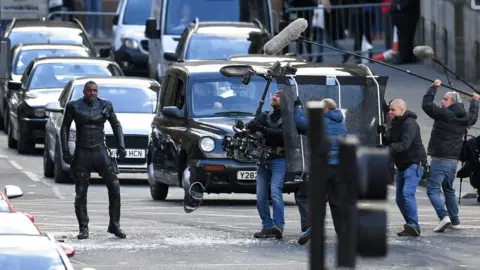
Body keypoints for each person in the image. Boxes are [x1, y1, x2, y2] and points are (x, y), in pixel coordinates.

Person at [61, 81, 127, 240]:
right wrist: (65, 151)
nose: (92, 93)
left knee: (114, 186)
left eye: (95, 91)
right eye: (89, 91)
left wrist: (121, 145)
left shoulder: (106, 105)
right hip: (82, 152)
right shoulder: (74, 106)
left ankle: (114, 224)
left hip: (100, 150)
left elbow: (116, 125)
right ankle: (83, 228)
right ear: (84, 92)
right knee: (81, 193)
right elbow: (64, 128)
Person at [422, 79, 479, 233]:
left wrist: (433, 87)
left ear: (452, 102)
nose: (442, 101)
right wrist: (475, 102)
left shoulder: (443, 114)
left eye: (445, 99)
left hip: (440, 159)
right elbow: (473, 117)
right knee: (448, 189)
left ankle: (443, 216)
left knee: (432, 190)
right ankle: (455, 220)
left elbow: (427, 105)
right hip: (452, 161)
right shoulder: (464, 118)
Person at [293, 98, 348, 245]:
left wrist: (298, 107)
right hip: (339, 168)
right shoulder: (341, 122)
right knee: (336, 202)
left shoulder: (321, 121)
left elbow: (300, 123)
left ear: (325, 110)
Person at [246, 90, 288, 239]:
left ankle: (278, 226)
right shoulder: (266, 115)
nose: (273, 97)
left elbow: (281, 135)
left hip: (279, 159)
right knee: (261, 197)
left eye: (277, 95)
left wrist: (262, 129)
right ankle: (267, 226)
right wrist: (251, 125)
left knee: (276, 192)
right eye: (273, 94)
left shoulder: (288, 117)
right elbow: (251, 127)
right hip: (264, 160)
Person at [384, 99, 426, 237]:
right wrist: (384, 134)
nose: (390, 112)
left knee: (407, 194)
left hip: (414, 162)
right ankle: (411, 225)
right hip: (402, 164)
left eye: (393, 110)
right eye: (390, 109)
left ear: (402, 109)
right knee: (399, 199)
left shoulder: (410, 123)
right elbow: (392, 140)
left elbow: (404, 144)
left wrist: (387, 149)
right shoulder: (395, 122)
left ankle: (414, 225)